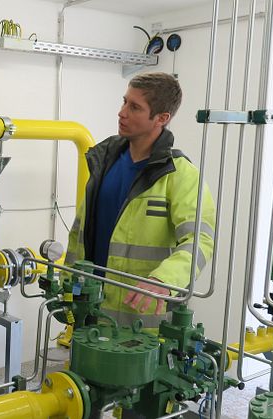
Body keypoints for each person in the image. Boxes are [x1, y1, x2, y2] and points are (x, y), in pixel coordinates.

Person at [66, 71, 216, 329]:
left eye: (134, 107)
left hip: (142, 327)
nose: (122, 112)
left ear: (161, 118)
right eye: (124, 102)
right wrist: (68, 288)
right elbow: (79, 235)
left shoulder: (179, 175)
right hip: (88, 311)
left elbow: (200, 240)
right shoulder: (104, 161)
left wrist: (163, 280)